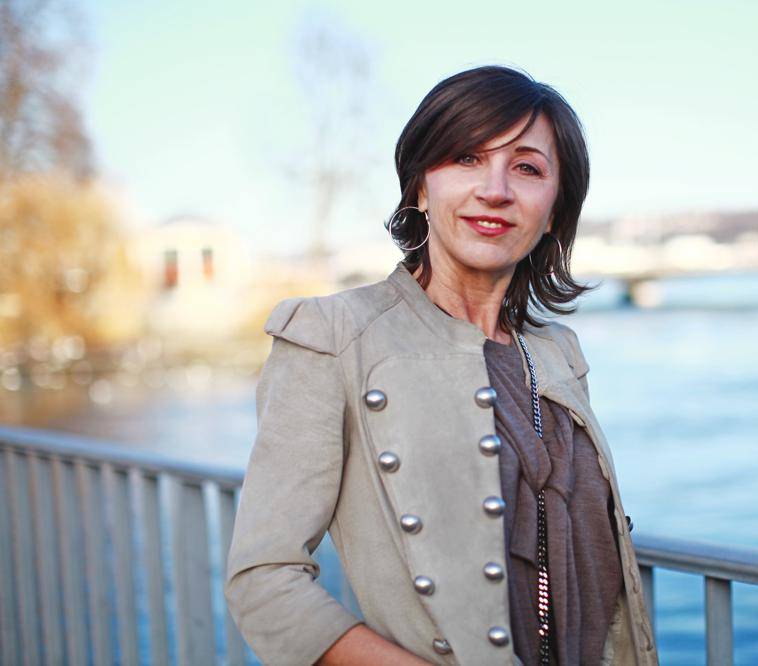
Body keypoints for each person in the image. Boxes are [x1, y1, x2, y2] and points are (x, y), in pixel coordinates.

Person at [224, 65, 658, 666]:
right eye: (466, 158)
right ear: (420, 189)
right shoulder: (333, 336)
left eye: (528, 168)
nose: (495, 190)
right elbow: (264, 582)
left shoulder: (558, 351)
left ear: (555, 210)